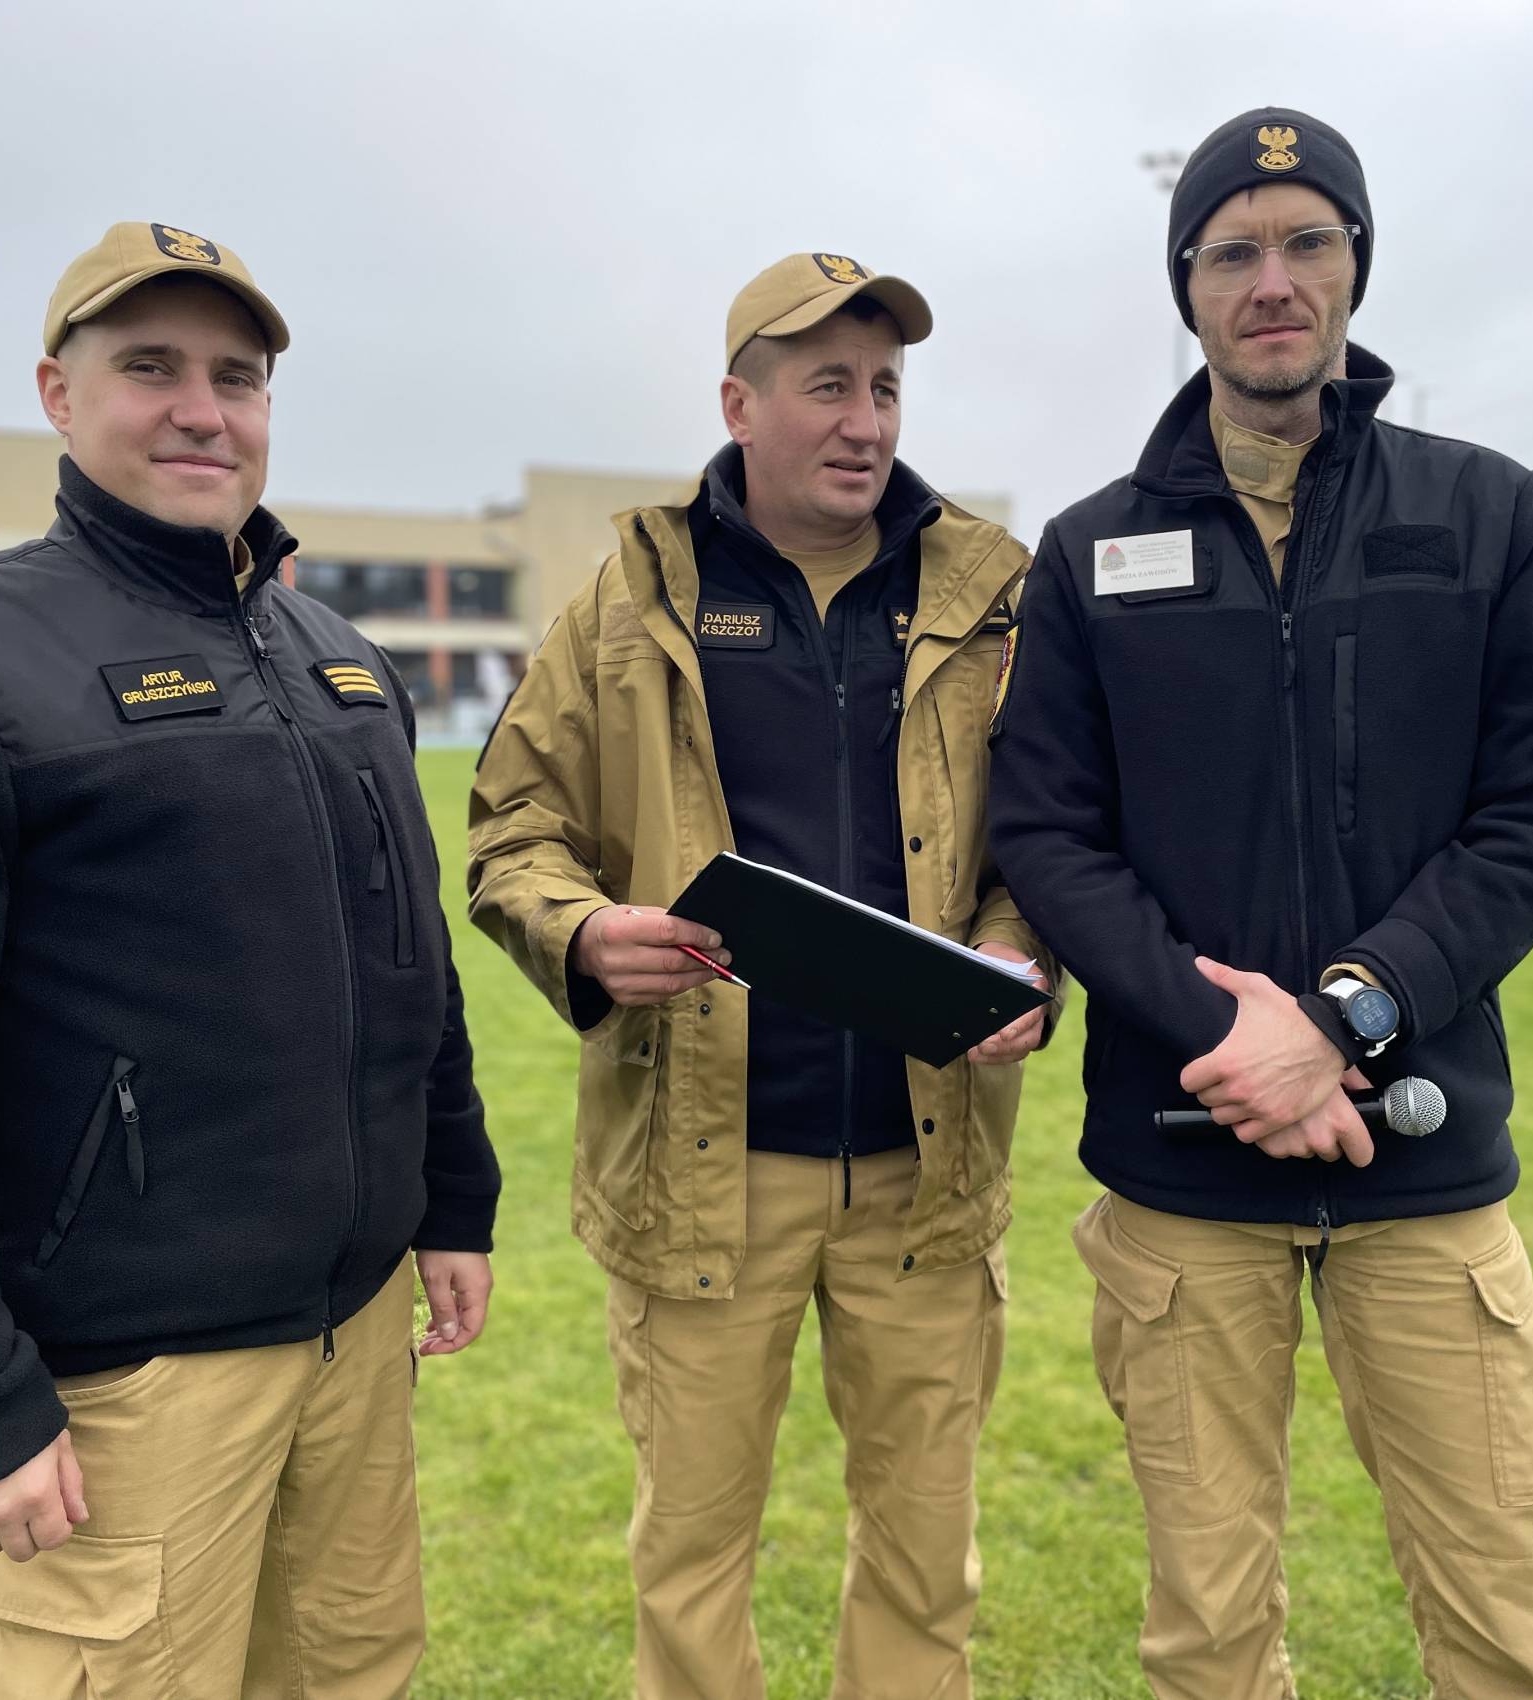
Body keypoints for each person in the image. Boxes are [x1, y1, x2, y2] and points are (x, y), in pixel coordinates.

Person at [0, 220, 500, 1698]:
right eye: (150, 368)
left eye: (237, 377)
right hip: (129, 1385)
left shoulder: (340, 660)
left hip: (352, 1343)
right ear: (58, 392)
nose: (201, 410)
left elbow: (409, 959)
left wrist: (453, 1194)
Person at [988, 110, 1533, 1698]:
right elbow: (1048, 833)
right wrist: (1230, 1038)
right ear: (1187, 286)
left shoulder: (1484, 516)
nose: (1271, 281)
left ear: (1353, 265)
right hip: (1181, 1178)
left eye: (1305, 242)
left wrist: (1340, 1020)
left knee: (1514, 1639)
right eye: (1232, 252)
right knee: (1206, 1646)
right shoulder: (1087, 553)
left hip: (1420, 1163)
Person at [468, 250, 1055, 1700]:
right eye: (827, 387)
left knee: (925, 1560)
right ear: (739, 405)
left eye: (886, 389)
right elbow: (514, 830)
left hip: (927, 1172)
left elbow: (1046, 838)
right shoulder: (629, 601)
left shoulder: (990, 597)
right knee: (690, 1558)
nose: (865, 422)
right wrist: (581, 931)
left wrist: (1017, 947)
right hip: (702, 1173)